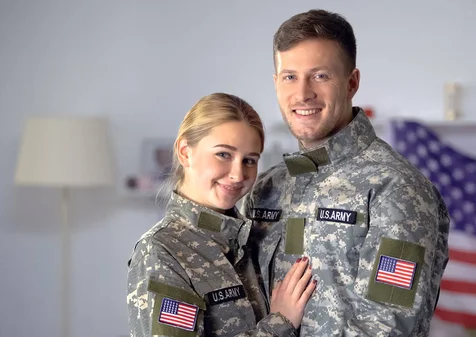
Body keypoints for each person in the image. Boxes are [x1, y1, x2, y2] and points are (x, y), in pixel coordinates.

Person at [241, 9, 450, 336]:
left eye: (320, 75)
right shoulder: (267, 187)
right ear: (276, 83)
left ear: (352, 82)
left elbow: (390, 328)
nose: (302, 94)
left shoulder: (396, 188)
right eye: (290, 77)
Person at [127, 92, 317, 337]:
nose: (238, 174)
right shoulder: (163, 251)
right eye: (224, 154)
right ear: (185, 151)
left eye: (249, 160)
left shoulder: (252, 240)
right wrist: (280, 323)